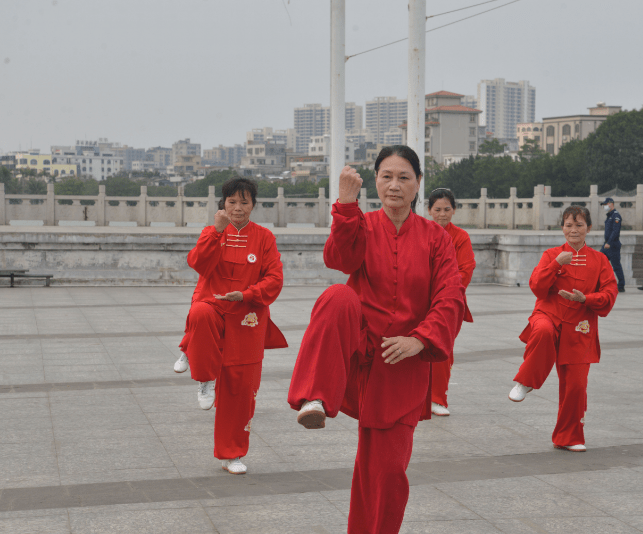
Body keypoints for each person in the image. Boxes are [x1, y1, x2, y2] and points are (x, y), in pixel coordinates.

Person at [287, 146, 465, 533]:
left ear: (418, 184)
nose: (394, 185)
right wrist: (345, 206)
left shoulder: (437, 239)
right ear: (376, 182)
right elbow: (340, 259)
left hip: (404, 364)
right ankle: (314, 396)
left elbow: (451, 296)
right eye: (386, 176)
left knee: (385, 471)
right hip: (358, 350)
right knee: (337, 295)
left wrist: (420, 339)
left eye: (404, 177)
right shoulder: (362, 224)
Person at [182, 177, 288, 475]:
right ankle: (204, 376)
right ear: (223, 205)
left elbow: (274, 279)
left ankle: (232, 453)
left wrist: (247, 295)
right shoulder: (212, 232)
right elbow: (198, 263)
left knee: (242, 388)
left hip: (248, 319)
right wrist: (215, 233)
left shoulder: (264, 237)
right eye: (232, 202)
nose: (238, 208)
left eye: (244, 202)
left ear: (253, 205)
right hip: (215, 312)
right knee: (200, 313)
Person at [508, 206, 618, 452]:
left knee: (576, 386)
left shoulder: (600, 260)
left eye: (579, 225)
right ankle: (526, 381)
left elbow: (610, 294)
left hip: (580, 326)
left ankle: (568, 436)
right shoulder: (551, 255)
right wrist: (556, 263)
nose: (573, 230)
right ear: (562, 228)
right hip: (548, 314)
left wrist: (586, 299)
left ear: (589, 229)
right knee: (543, 331)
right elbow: (537, 287)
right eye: (569, 225)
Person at [427, 188, 476, 417]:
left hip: (450, 301)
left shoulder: (461, 237)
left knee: (442, 348)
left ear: (454, 211)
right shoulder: (421, 232)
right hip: (421, 299)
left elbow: (466, 269)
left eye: (447, 209)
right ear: (429, 210)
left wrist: (446, 292)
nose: (442, 214)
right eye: (437, 210)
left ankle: (437, 398)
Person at [600, 198, 625, 292]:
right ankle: (601, 283)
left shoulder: (616, 216)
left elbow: (615, 231)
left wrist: (609, 243)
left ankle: (621, 285)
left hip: (612, 245)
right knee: (599, 262)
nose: (605, 206)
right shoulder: (609, 215)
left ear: (611, 204)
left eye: (606, 204)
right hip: (606, 244)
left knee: (616, 265)